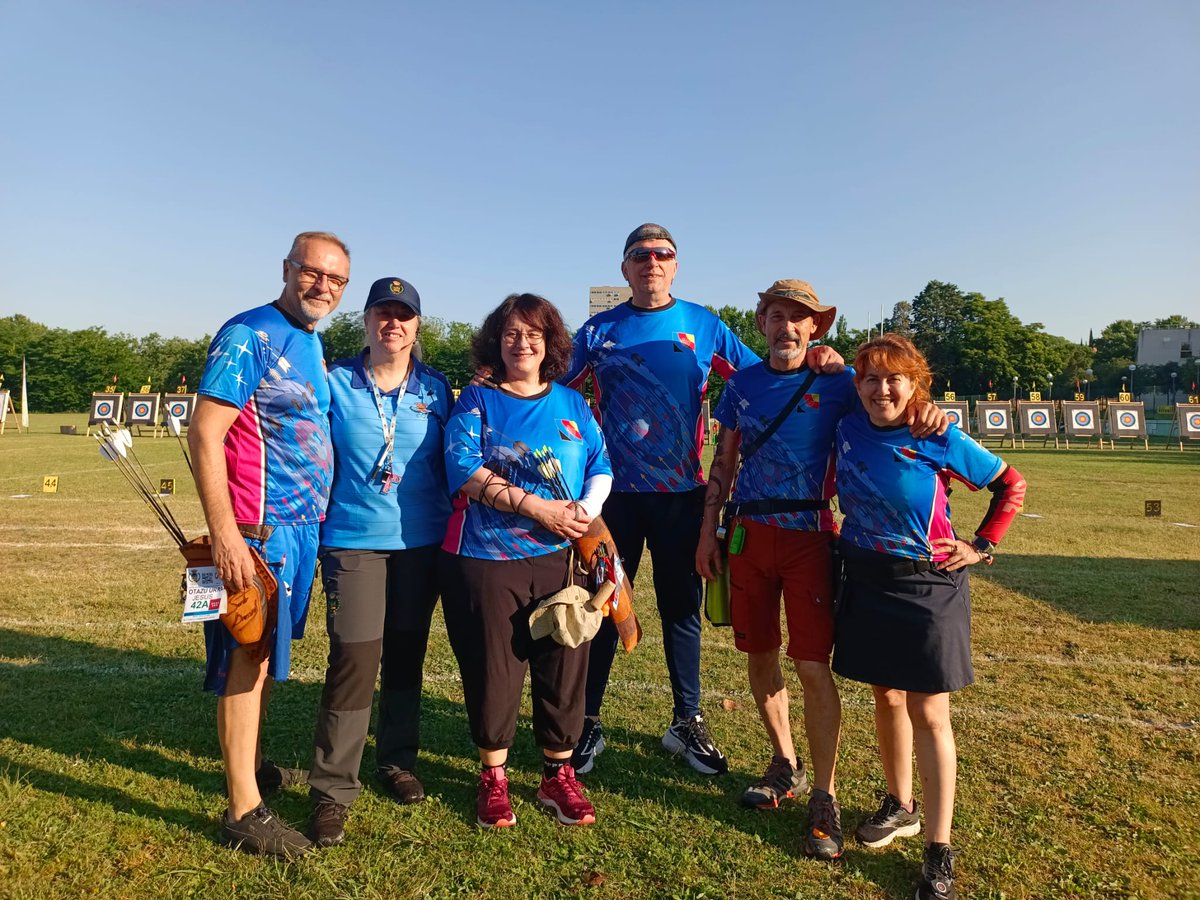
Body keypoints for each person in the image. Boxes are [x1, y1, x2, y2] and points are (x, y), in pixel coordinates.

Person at [563, 225, 842, 777]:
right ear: (625, 269)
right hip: (611, 499)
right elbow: (554, 389)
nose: (652, 262)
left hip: (683, 496)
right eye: (640, 255)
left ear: (675, 265)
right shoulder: (598, 330)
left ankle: (686, 721)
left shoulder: (705, 324)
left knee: (681, 611)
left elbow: (766, 375)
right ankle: (587, 722)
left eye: (663, 254)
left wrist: (821, 358)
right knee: (601, 604)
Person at [696, 281, 946, 861]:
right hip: (747, 536)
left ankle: (825, 796)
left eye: (799, 319)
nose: (787, 326)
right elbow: (724, 461)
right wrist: (708, 531)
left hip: (810, 536)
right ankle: (786, 762)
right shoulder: (739, 386)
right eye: (776, 315)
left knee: (812, 666)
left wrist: (929, 411)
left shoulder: (837, 382)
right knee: (760, 655)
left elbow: (893, 403)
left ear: (816, 329)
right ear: (761, 323)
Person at [833, 334, 1026, 900]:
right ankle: (901, 805)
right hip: (865, 575)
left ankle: (938, 848)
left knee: (930, 711)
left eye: (896, 378)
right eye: (871, 378)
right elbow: (823, 373)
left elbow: (1010, 484)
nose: (882, 388)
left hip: (927, 583)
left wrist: (983, 545)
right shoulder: (848, 420)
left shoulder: (938, 433)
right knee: (886, 697)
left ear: (917, 384)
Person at [189, 231, 350, 856]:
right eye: (313, 273)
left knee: (264, 653)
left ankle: (249, 767)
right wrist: (226, 535)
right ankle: (243, 812)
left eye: (336, 281)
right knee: (245, 658)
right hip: (257, 530)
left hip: (300, 529)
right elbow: (205, 434)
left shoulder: (309, 341)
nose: (323, 287)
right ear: (287, 269)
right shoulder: (248, 333)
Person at [441, 293, 613, 828]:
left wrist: (583, 512)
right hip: (488, 558)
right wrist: (539, 508)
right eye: (512, 333)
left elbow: (600, 463)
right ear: (497, 340)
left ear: (550, 343)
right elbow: (464, 467)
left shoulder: (572, 403)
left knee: (564, 661)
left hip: (562, 559)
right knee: (496, 666)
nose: (523, 342)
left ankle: (557, 777)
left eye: (534, 333)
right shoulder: (477, 399)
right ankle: (494, 778)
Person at [305, 277, 454, 847]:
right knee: (354, 659)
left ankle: (396, 759)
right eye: (382, 314)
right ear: (365, 321)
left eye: (404, 315)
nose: (393, 324)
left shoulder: (438, 388)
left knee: (407, 655)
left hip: (422, 544)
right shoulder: (334, 380)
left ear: (417, 327)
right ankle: (332, 789)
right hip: (353, 540)